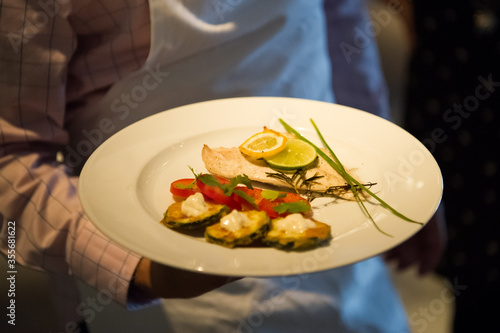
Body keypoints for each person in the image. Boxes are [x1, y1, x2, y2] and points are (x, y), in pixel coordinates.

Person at [0, 0, 445, 332]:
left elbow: (338, 18)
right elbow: (12, 158)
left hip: (341, 251)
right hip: (162, 296)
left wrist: (392, 171)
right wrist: (139, 270)